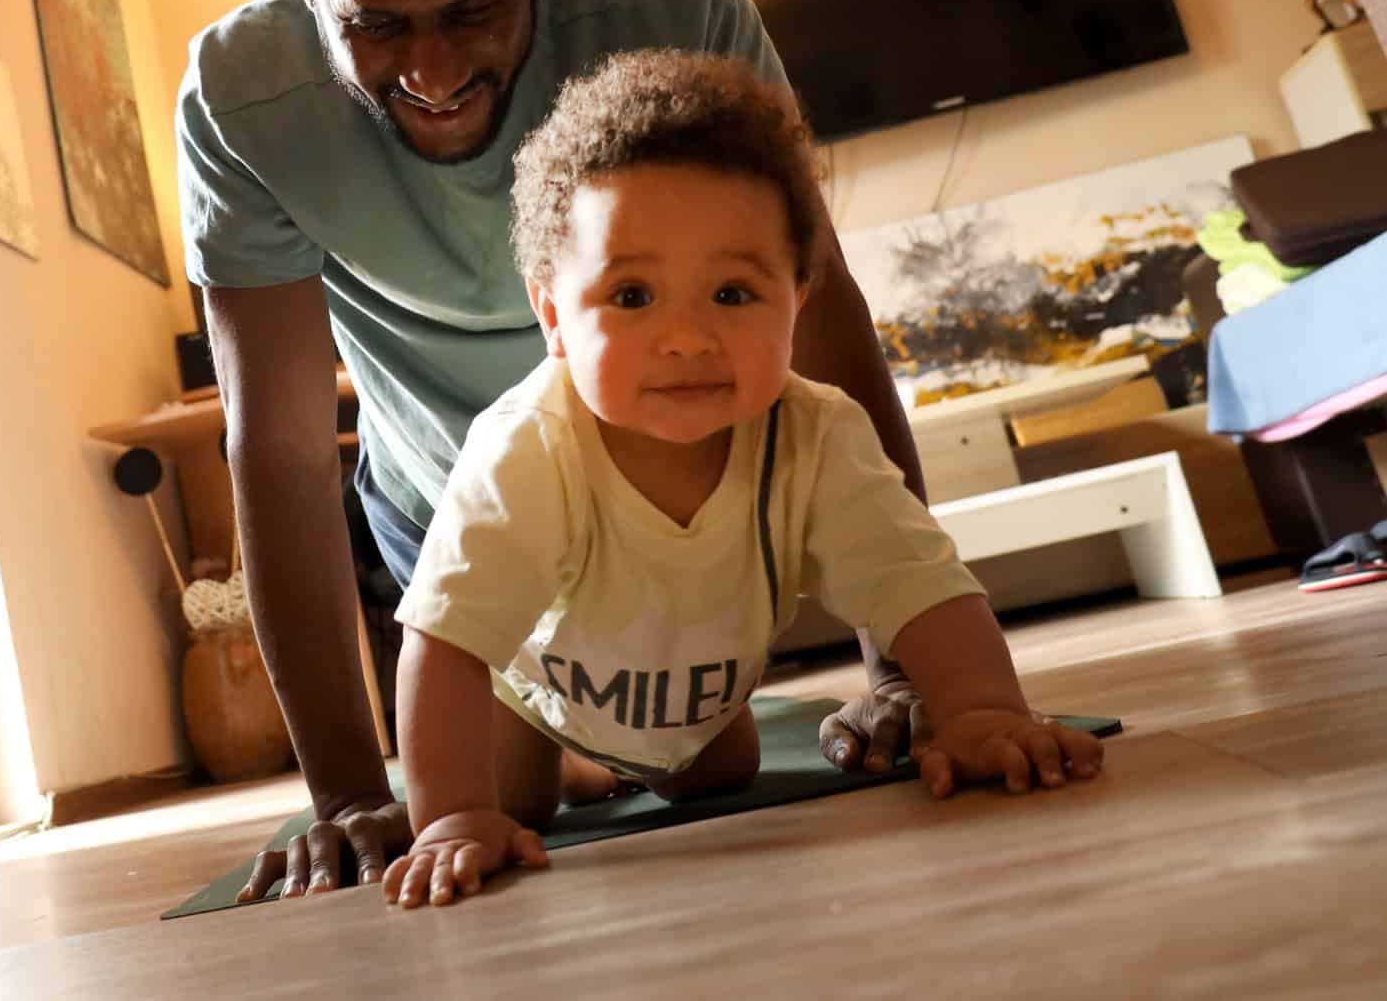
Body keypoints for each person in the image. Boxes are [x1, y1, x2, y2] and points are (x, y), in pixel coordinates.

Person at [176, 0, 932, 903]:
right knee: (497, 789)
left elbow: (814, 298)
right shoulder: (237, 93)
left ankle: (601, 742)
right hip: (449, 516)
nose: (430, 67)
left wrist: (901, 673)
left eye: (473, 9)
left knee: (712, 759)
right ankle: (558, 746)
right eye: (375, 23)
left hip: (687, 489)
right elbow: (270, 444)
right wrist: (345, 793)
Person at [379, 51, 1105, 909]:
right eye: (632, 296)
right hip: (531, 689)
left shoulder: (817, 435)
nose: (686, 340)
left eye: (730, 294)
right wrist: (451, 819)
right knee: (512, 800)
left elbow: (922, 588)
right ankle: (572, 760)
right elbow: (446, 641)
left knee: (718, 771)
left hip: (699, 699)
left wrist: (982, 711)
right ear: (553, 318)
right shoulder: (526, 451)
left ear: (796, 296)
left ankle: (616, 758)